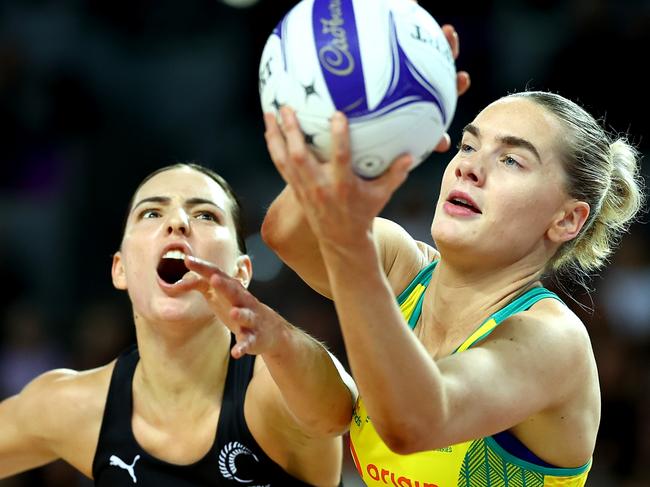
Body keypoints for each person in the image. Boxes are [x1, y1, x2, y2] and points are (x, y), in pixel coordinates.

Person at [260, 85, 645, 485]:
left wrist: (353, 257)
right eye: (468, 146)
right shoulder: (403, 267)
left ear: (567, 219)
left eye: (511, 160)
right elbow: (288, 232)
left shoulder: (551, 340)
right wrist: (354, 129)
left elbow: (414, 422)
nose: (469, 168)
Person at [0, 163, 358, 486]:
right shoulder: (75, 407)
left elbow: (336, 413)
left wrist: (279, 337)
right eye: (152, 212)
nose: (178, 222)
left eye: (205, 216)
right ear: (120, 268)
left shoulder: (272, 391)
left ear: (241, 272)